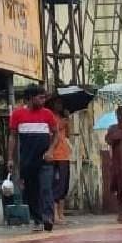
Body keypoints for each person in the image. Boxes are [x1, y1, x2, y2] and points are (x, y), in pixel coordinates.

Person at [8, 84, 59, 232]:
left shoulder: (48, 114)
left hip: (45, 159)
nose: (43, 100)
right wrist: (10, 158)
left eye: (44, 97)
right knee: (31, 191)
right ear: (30, 98)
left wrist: (50, 150)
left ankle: (48, 217)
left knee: (46, 188)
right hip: (27, 160)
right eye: (40, 97)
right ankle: (37, 219)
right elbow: (12, 137)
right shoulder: (17, 115)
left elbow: (56, 134)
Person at [47, 96, 72, 225]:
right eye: (57, 103)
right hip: (55, 156)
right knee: (56, 185)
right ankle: (54, 214)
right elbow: (56, 128)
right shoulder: (50, 116)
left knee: (64, 185)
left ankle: (61, 213)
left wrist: (69, 120)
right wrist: (65, 120)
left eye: (61, 103)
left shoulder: (63, 117)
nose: (60, 106)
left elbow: (68, 133)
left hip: (64, 154)